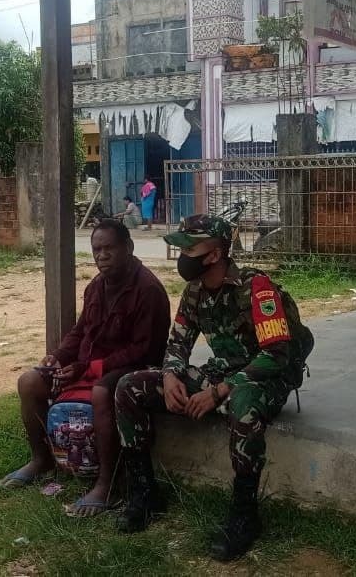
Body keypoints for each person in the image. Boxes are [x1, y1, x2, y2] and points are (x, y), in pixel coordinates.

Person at [114, 214, 312, 561]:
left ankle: (245, 515)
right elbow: (178, 344)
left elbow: (276, 355)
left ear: (216, 254)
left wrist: (220, 391)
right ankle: (144, 494)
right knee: (130, 386)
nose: (183, 256)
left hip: (263, 378)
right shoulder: (194, 291)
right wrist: (171, 376)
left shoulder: (257, 288)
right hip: (222, 373)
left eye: (190, 249)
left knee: (244, 404)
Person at [0, 219, 171, 517]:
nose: (102, 256)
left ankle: (106, 484)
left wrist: (90, 368)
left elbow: (144, 350)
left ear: (129, 248)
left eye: (109, 248)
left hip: (130, 368)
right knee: (29, 381)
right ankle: (42, 460)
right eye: (96, 250)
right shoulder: (96, 287)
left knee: (102, 392)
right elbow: (81, 331)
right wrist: (59, 357)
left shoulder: (148, 290)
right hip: (87, 366)